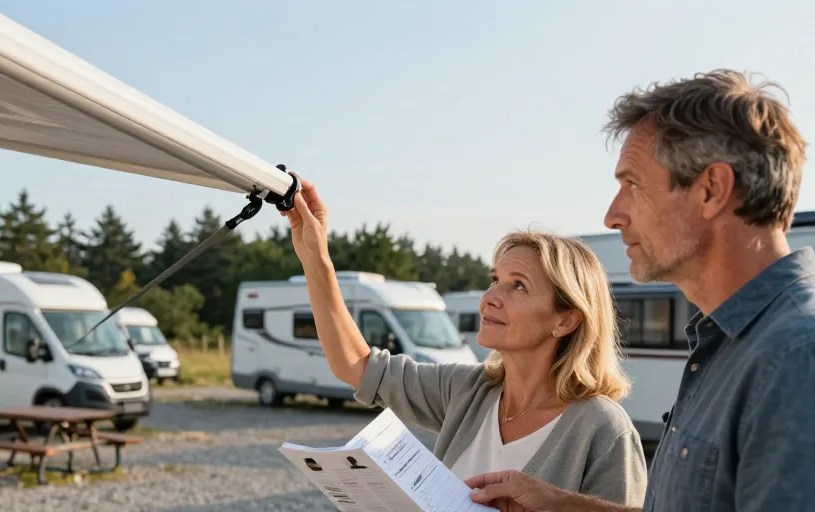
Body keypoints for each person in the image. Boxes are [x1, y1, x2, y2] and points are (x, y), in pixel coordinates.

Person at [466, 69, 815, 511]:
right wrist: (558, 505)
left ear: (711, 190)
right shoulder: (733, 342)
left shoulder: (796, 357)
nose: (613, 216)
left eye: (632, 184)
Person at [280, 179, 648, 507]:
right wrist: (316, 257)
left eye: (518, 285)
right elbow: (357, 366)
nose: (490, 297)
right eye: (495, 280)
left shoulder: (603, 429)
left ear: (565, 320)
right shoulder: (469, 390)